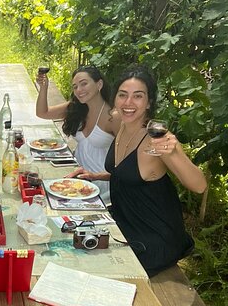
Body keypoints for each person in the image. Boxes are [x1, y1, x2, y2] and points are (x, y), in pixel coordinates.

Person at [74, 66, 207, 275]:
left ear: (149, 102)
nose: (128, 103)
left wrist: (174, 154)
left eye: (138, 96)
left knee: (94, 274)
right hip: (122, 222)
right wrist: (97, 176)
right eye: (123, 95)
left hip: (151, 238)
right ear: (115, 98)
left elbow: (199, 186)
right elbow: (133, 175)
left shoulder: (158, 138)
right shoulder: (123, 126)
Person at [36, 65, 120, 204]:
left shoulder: (113, 116)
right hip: (75, 177)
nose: (79, 90)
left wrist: (98, 177)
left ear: (99, 84)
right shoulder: (76, 108)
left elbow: (127, 161)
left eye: (84, 84)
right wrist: (44, 87)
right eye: (75, 87)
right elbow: (42, 113)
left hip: (102, 184)